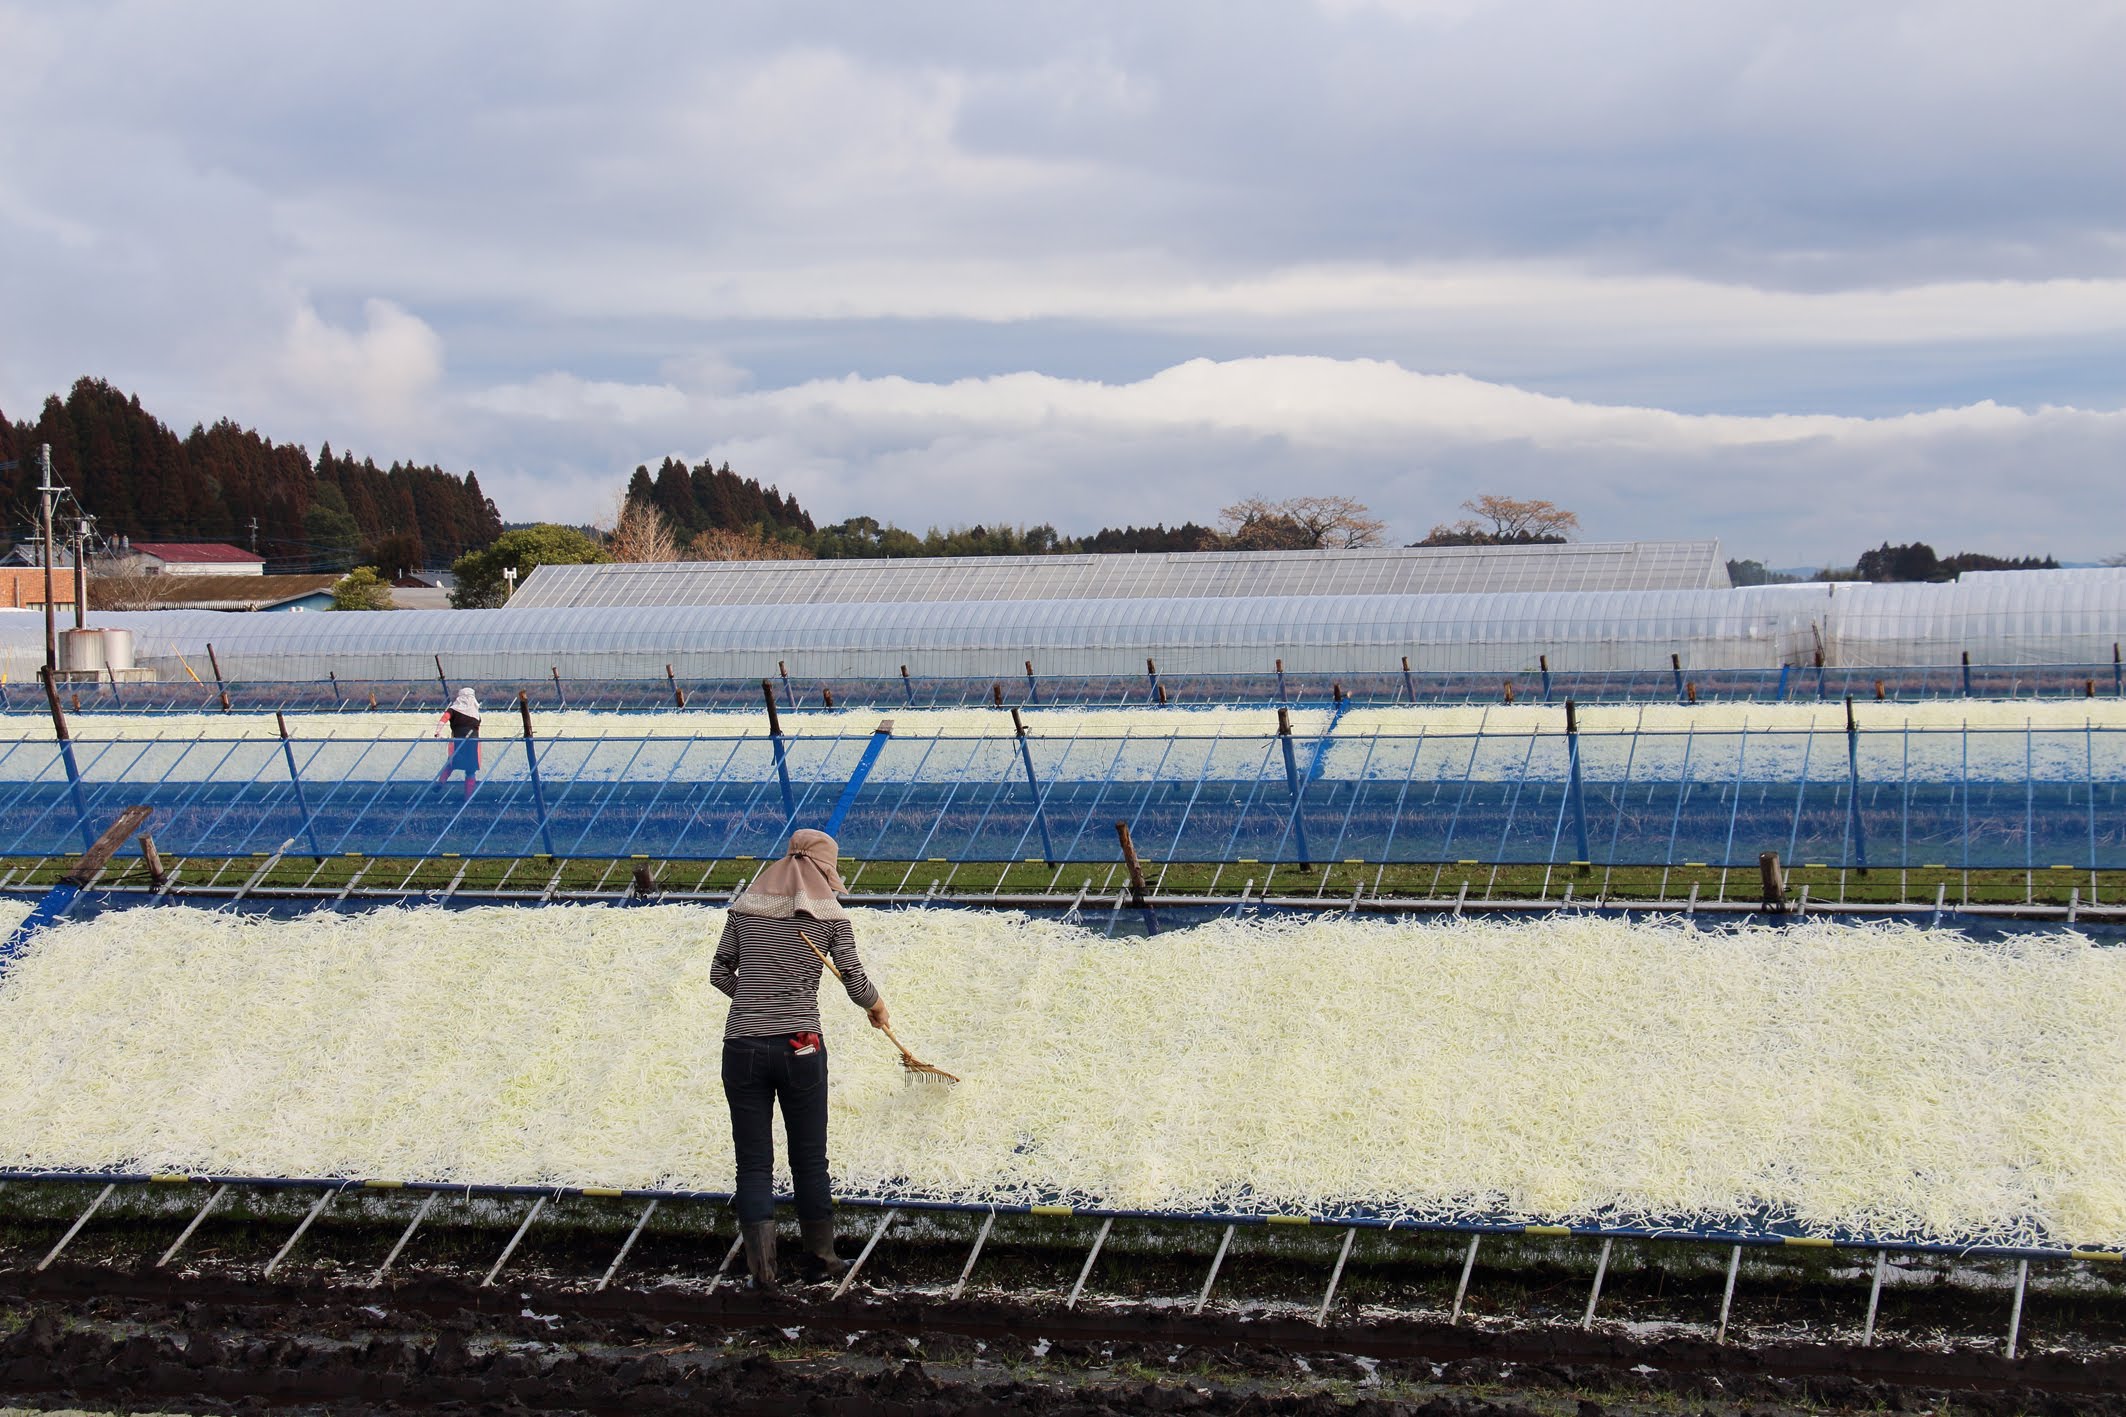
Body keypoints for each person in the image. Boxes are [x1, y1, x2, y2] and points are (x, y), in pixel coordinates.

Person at [712, 828, 889, 1290]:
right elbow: (852, 977)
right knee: (810, 1160)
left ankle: (763, 1275)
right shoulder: (829, 915)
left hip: (743, 1047)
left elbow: (719, 972)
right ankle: (822, 1262)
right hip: (801, 1046)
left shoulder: (744, 908)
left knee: (752, 1164)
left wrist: (752, 999)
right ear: (824, 868)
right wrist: (875, 1006)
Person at [437, 687, 480, 798]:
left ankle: (441, 782)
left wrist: (438, 731)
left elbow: (444, 718)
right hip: (473, 743)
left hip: (458, 741)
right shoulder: (476, 714)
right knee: (470, 771)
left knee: (451, 763)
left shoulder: (454, 709)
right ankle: (468, 798)